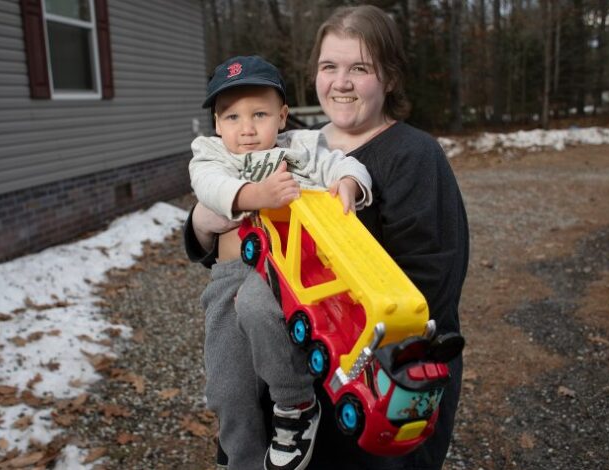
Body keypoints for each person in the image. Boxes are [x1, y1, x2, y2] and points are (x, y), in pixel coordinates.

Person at [185, 5, 469, 469]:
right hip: (279, 379)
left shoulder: (413, 155)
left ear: (390, 78)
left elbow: (431, 285)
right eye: (329, 66)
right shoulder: (294, 143)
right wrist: (202, 220)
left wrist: (327, 330)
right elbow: (231, 241)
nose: (341, 81)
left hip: (363, 378)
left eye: (360, 67)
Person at [190, 55, 373, 470]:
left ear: (283, 116)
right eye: (232, 116)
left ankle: (295, 405)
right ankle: (240, 460)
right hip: (229, 274)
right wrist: (256, 196)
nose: (247, 127)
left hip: (285, 270)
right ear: (217, 124)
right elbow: (210, 187)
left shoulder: (300, 149)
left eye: (259, 113)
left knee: (260, 311)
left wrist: (347, 182)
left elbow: (345, 163)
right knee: (226, 387)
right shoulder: (211, 155)